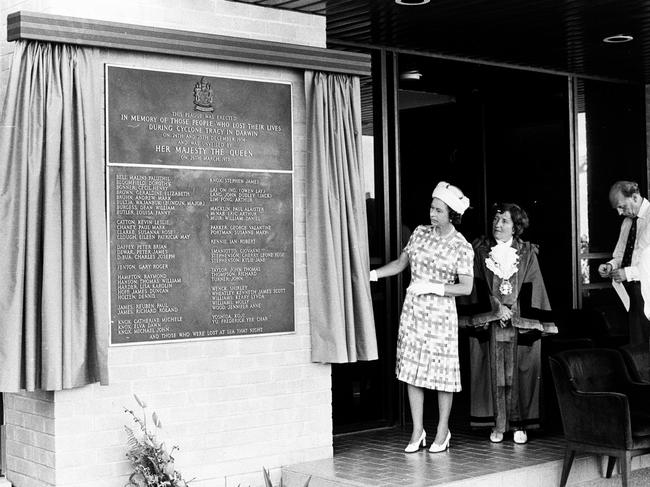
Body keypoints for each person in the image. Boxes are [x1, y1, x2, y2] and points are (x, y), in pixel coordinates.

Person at [370, 181, 473, 453]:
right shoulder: (419, 233)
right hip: (414, 313)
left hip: (441, 317)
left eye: (439, 210)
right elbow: (401, 264)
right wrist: (374, 274)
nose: (432, 213)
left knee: (442, 374)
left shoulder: (461, 246)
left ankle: (442, 430)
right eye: (432, 207)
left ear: (452, 214)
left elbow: (466, 286)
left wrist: (434, 287)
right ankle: (418, 430)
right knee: (412, 371)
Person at [466, 203, 556, 444]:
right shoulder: (481, 252)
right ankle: (497, 424)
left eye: (504, 221)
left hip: (519, 325)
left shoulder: (527, 253)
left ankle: (519, 425)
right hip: (492, 324)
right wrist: (497, 308)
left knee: (519, 374)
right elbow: (477, 285)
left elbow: (533, 287)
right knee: (493, 374)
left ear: (516, 227)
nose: (498, 224)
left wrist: (511, 311)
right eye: (496, 219)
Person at [598, 181, 650, 346]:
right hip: (632, 292)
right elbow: (621, 254)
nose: (620, 213)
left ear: (634, 197)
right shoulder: (628, 221)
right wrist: (611, 265)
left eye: (622, 206)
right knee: (637, 346)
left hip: (648, 288)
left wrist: (628, 273)